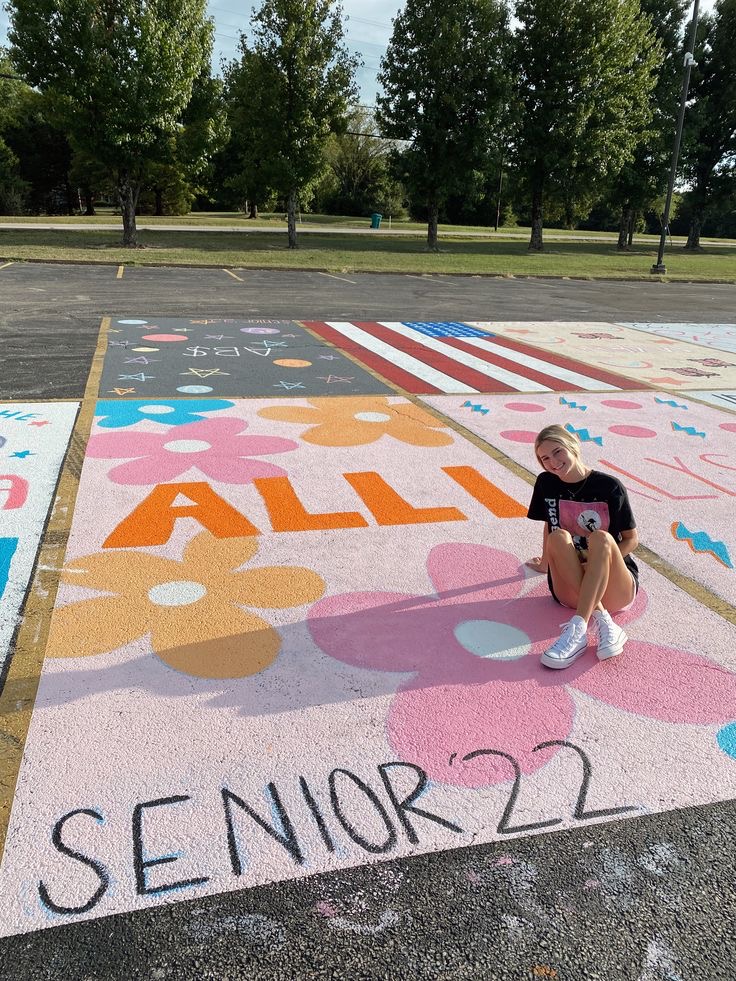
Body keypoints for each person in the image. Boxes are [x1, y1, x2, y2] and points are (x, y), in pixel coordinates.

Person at [525, 424, 639, 669]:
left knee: (600, 538)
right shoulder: (546, 483)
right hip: (570, 588)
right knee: (557, 537)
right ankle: (600, 621)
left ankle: (577, 629)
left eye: (557, 452)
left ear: (572, 447)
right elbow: (549, 525)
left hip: (612, 586)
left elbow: (631, 538)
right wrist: (546, 562)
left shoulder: (609, 486)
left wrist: (603, 559)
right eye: (544, 458)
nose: (553, 462)